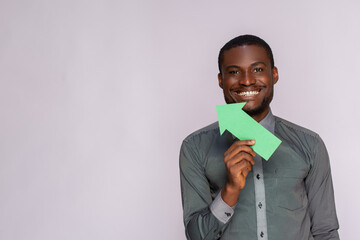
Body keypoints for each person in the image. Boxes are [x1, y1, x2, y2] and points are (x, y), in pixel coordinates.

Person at [179, 35, 339, 240]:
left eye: (257, 69)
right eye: (234, 71)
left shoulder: (310, 145)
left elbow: (325, 232)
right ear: (221, 80)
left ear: (274, 74)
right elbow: (195, 236)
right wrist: (230, 190)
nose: (246, 80)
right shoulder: (194, 148)